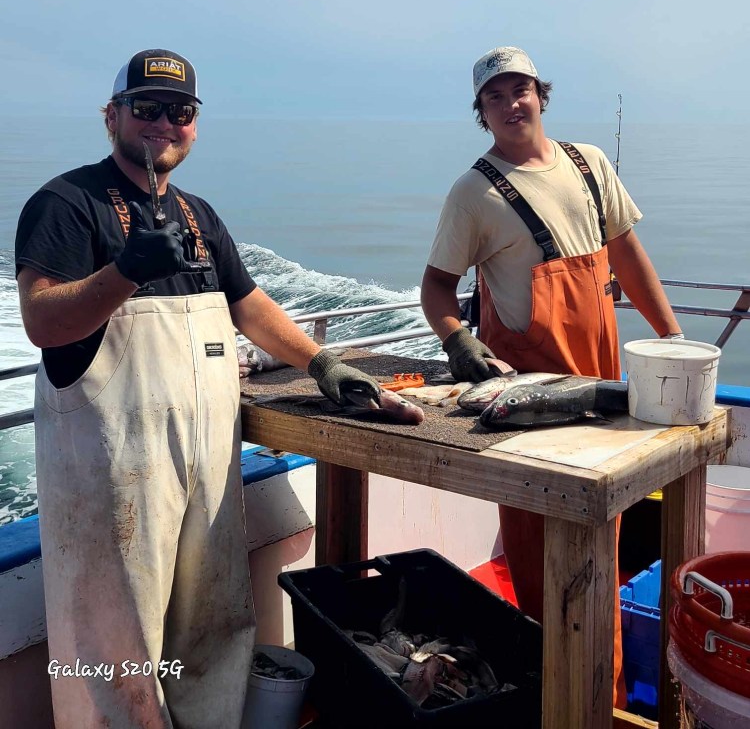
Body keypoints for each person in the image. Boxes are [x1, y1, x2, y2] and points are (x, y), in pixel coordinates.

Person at [15, 49, 380, 729]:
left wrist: (323, 364)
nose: (163, 123)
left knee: (214, 631)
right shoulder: (65, 204)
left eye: (179, 111)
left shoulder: (198, 215)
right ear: (112, 115)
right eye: (146, 107)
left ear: (195, 124)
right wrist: (125, 271)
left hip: (207, 470)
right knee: (114, 654)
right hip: (112, 481)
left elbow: (249, 306)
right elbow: (42, 320)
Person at [420, 46, 683, 708]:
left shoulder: (589, 164)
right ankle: (546, 701)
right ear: (481, 114)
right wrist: (458, 340)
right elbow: (436, 287)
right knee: (540, 568)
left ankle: (606, 703)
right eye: (495, 97)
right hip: (527, 406)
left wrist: (673, 339)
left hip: (602, 394)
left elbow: (628, 252)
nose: (512, 104)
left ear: (542, 94)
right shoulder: (472, 193)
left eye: (521, 90)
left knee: (604, 551)